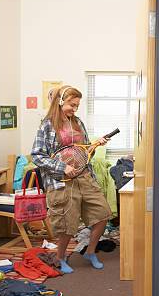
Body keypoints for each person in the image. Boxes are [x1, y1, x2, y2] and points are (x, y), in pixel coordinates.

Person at [31, 85, 112, 274]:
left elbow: (82, 150)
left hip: (84, 176)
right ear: (60, 101)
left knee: (103, 214)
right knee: (68, 223)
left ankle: (90, 252)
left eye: (77, 106)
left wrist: (95, 145)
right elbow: (37, 155)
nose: (74, 109)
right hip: (61, 181)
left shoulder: (78, 122)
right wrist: (63, 167)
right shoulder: (47, 125)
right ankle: (60, 257)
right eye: (71, 105)